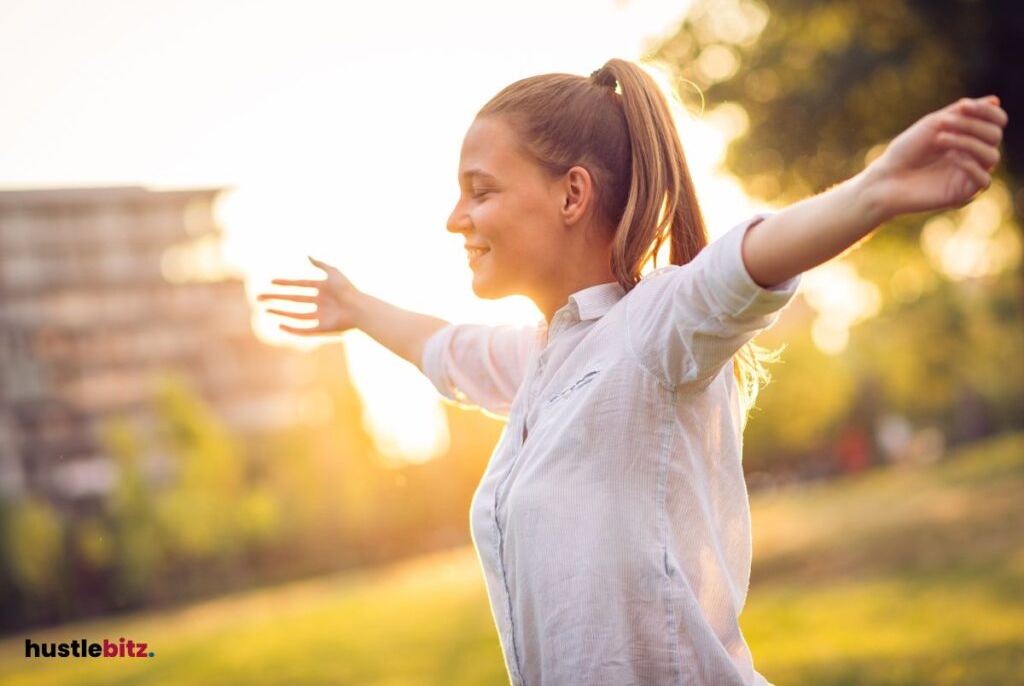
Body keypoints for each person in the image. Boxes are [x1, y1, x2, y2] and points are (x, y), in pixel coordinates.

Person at [257, 59, 1007, 686]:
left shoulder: (654, 330)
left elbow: (744, 262)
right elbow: (447, 352)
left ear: (572, 195)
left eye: (480, 189)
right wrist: (354, 306)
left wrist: (873, 191)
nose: (458, 217)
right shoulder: (542, 362)